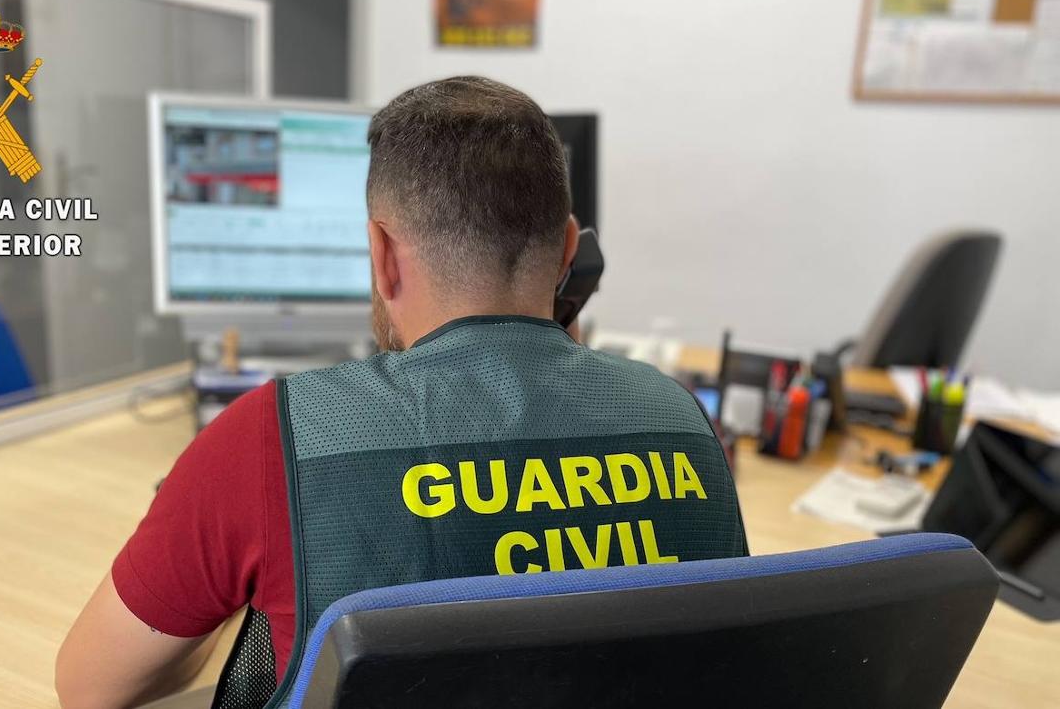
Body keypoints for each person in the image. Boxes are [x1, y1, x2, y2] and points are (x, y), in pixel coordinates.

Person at [55, 76, 748, 708]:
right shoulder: (681, 420)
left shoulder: (269, 437)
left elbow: (91, 689)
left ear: (382, 254)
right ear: (569, 250)